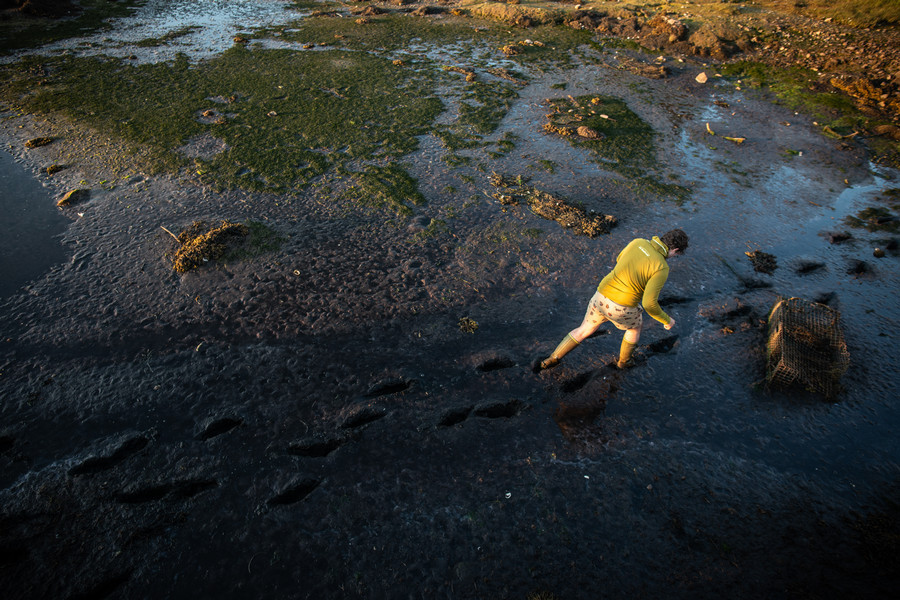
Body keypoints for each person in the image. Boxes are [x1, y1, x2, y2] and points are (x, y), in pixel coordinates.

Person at [539, 229, 689, 371]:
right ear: (675, 250)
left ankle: (552, 358)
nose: (673, 257)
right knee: (635, 328)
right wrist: (666, 320)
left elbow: (619, 259)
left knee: (584, 329)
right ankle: (624, 362)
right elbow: (649, 304)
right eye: (676, 254)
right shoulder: (661, 267)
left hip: (601, 295)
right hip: (621, 307)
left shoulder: (638, 242)